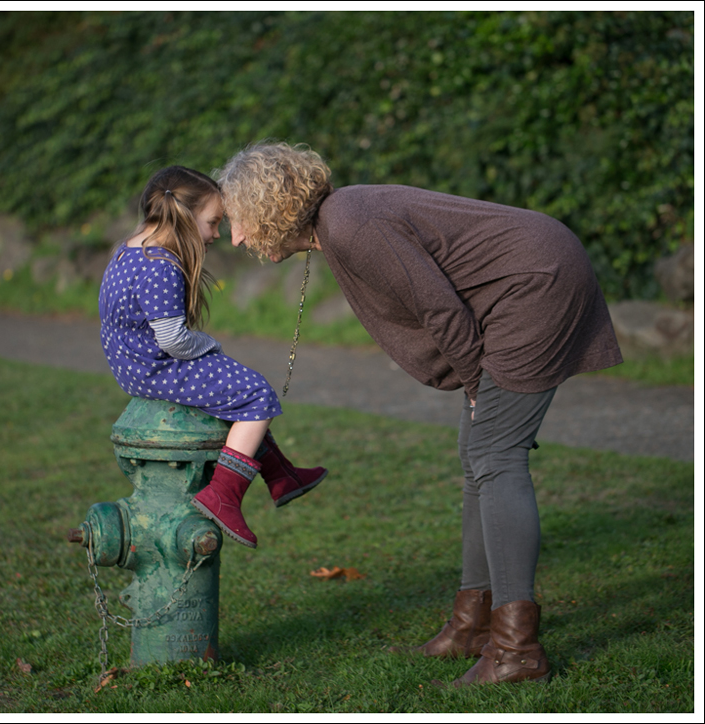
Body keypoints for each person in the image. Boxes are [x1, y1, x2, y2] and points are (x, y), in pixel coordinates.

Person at [217, 142, 622, 686]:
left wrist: (476, 384)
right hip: (526, 282)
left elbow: (439, 307)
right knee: (476, 455)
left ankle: (516, 650)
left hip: (536, 287)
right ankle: (473, 623)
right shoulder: (340, 224)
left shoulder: (352, 225)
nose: (237, 237)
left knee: (496, 457)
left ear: (269, 205)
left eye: (239, 220)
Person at [99, 165, 327, 549]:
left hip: (133, 366)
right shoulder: (162, 267)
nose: (216, 235)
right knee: (255, 395)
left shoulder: (129, 251)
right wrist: (209, 346)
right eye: (212, 222)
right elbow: (172, 339)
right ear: (184, 217)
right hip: (158, 366)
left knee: (233, 393)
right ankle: (224, 494)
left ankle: (282, 476)